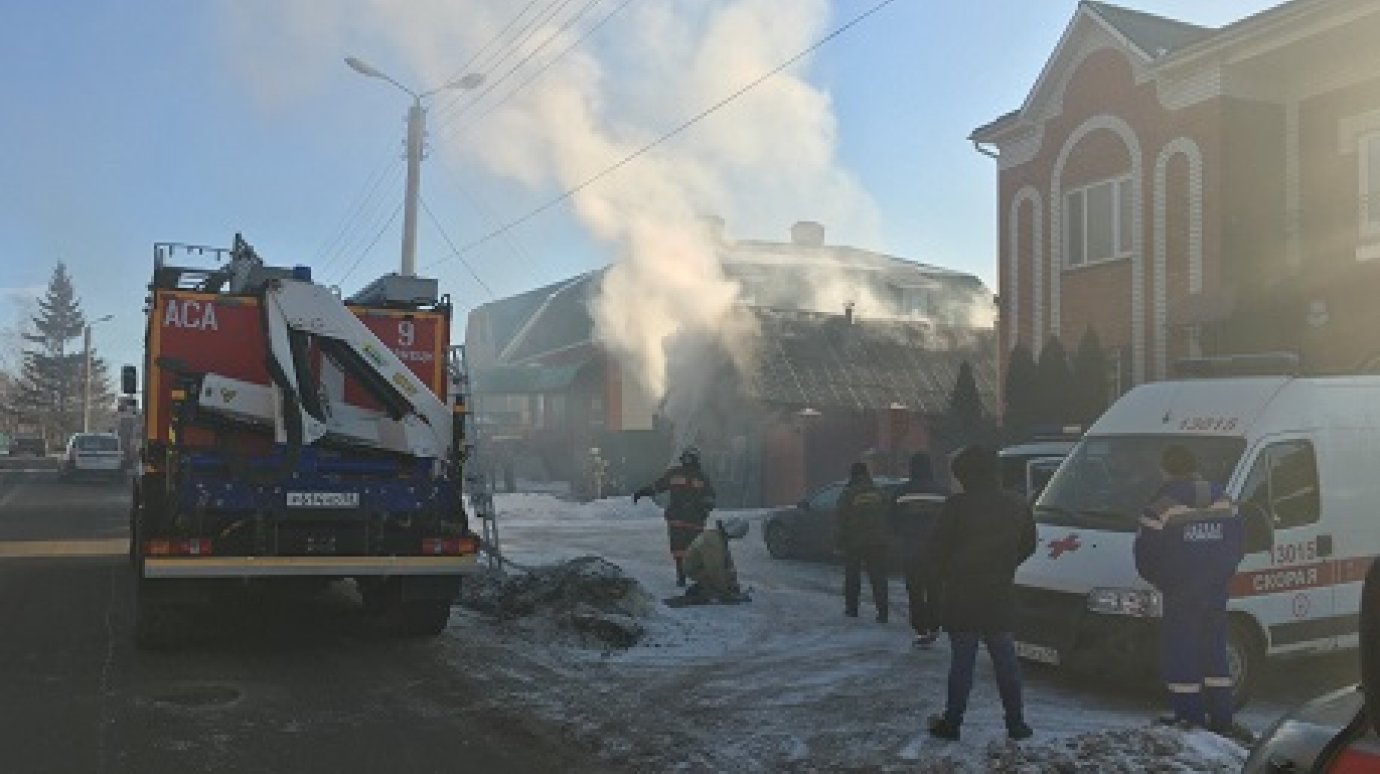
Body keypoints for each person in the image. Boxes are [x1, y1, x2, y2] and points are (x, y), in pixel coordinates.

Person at [1134, 444, 1248, 741]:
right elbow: (1237, 546)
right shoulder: (1225, 498)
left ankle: (1189, 720)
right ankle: (1222, 718)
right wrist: (1220, 577)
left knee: (1180, 653)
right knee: (1215, 653)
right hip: (1216, 591)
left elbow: (1146, 557)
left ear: (1165, 469)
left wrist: (1165, 582)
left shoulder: (1160, 506)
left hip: (1181, 594)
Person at [926, 445, 1037, 742]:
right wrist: (1005, 565)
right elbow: (1029, 545)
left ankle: (952, 722)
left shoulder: (956, 507)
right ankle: (1016, 723)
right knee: (1006, 660)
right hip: (999, 594)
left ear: (964, 476)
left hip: (962, 595)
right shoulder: (1017, 504)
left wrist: (942, 579)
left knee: (962, 662)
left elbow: (935, 551)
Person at [634, 446, 716, 586]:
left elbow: (657, 487)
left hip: (677, 518)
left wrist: (641, 492)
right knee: (694, 549)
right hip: (694, 520)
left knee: (679, 549)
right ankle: (698, 579)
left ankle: (682, 577)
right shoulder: (702, 478)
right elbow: (710, 499)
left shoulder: (674, 474)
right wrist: (704, 508)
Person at [892, 451, 946, 648]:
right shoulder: (942, 492)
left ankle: (920, 629)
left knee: (914, 591)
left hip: (911, 551)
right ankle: (935, 625)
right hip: (936, 552)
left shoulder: (901, 493)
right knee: (935, 589)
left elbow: (893, 522)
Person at [836, 461, 891, 623]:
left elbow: (840, 520)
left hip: (855, 542)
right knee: (879, 577)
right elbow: (889, 515)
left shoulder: (848, 494)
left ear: (852, 475)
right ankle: (883, 613)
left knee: (852, 576)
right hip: (878, 541)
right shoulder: (879, 492)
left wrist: (839, 543)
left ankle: (852, 609)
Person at [680, 517, 750, 604]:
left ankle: (710, 588)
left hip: (701, 565)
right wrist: (726, 592)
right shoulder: (713, 542)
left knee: (722, 576)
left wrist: (733, 584)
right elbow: (715, 570)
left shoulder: (718, 537)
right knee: (716, 583)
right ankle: (703, 590)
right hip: (694, 568)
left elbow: (728, 563)